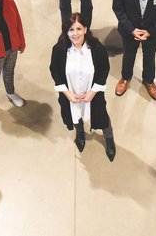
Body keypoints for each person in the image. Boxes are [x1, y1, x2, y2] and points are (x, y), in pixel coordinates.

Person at [49, 13, 116, 161]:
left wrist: (92, 92)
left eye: (79, 29)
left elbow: (104, 70)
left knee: (102, 117)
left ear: (85, 29)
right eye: (71, 30)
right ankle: (80, 133)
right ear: (66, 32)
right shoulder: (59, 49)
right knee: (74, 115)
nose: (75, 34)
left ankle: (109, 138)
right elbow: (54, 71)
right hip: (70, 95)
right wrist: (68, 94)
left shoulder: (97, 49)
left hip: (93, 94)